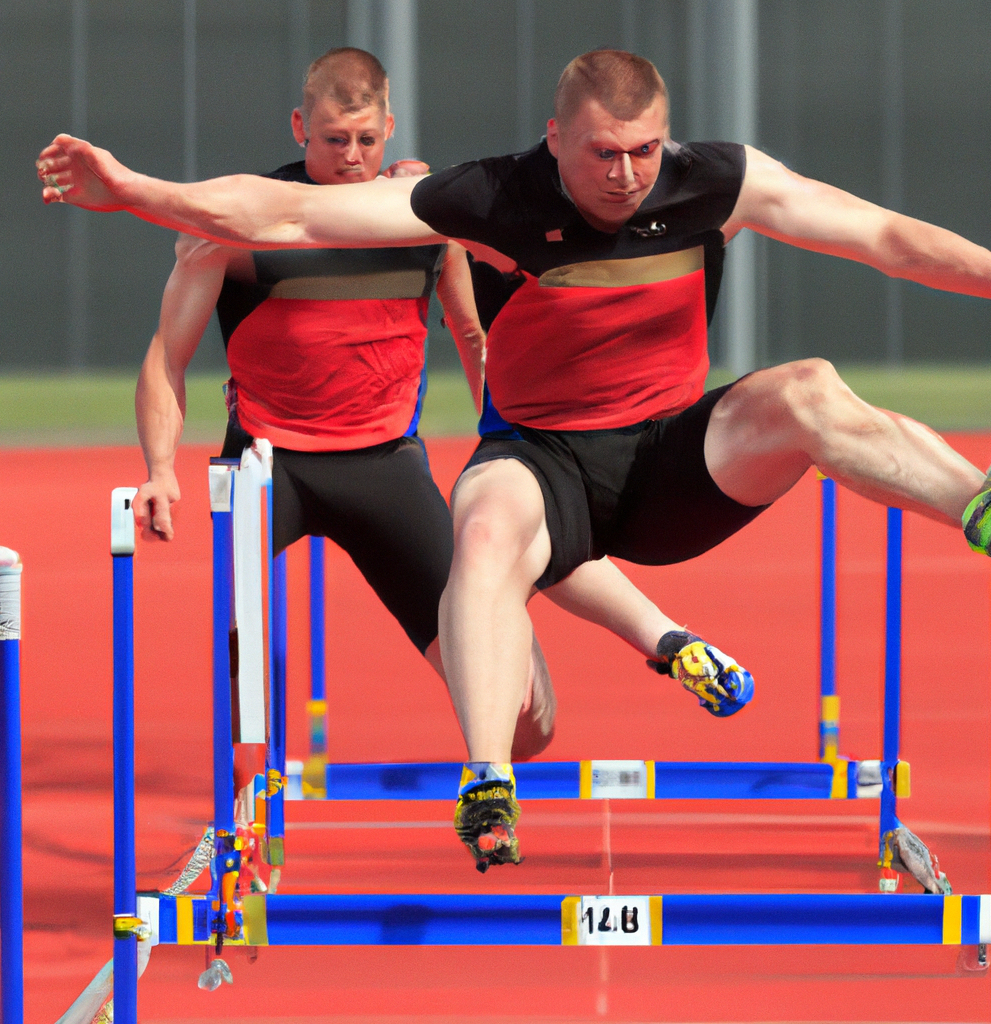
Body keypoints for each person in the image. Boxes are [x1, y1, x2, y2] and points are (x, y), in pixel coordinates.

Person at [38, 47, 991, 869]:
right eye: (601, 154)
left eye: (640, 152)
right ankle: (489, 776)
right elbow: (287, 214)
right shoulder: (493, 195)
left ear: (664, 141)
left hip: (675, 460)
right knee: (486, 517)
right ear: (556, 140)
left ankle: (987, 509)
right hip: (545, 464)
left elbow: (888, 238)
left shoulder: (717, 179)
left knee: (806, 389)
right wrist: (134, 192)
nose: (624, 174)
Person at [113, 47, 751, 827]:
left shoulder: (425, 218)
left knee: (526, 716)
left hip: (383, 465)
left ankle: (662, 644)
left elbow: (477, 336)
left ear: (389, 130)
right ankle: (238, 820)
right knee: (248, 664)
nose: (350, 159)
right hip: (266, 465)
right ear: (298, 129)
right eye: (330, 140)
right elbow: (164, 355)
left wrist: (525, 450)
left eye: (365, 141)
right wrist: (158, 469)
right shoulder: (242, 227)